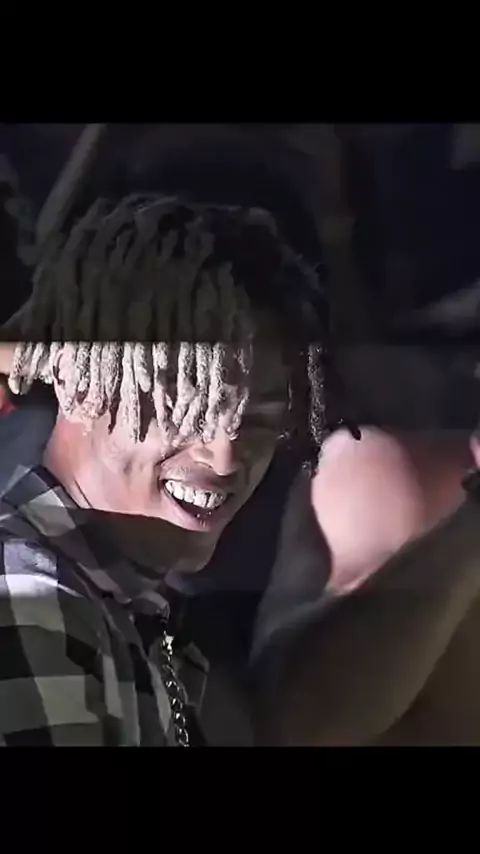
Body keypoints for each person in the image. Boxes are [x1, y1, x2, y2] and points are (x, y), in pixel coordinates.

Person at [0, 192, 339, 747]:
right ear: (77, 383)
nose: (224, 458)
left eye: (260, 420)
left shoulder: (133, 617)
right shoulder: (28, 601)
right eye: (189, 410)